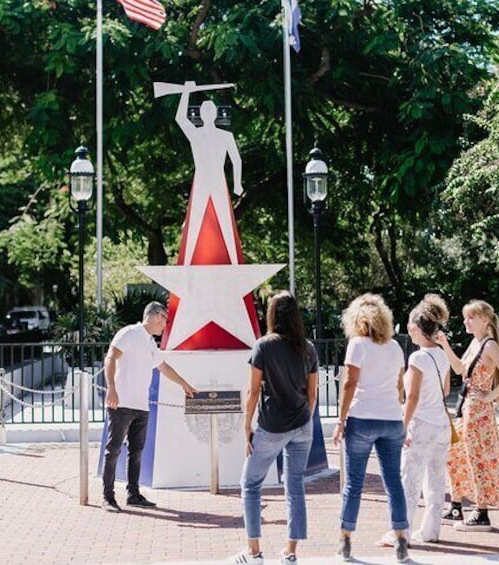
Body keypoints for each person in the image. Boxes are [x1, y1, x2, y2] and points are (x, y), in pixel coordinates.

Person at [231, 291, 318, 565]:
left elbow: (253, 391)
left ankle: (254, 552)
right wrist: (305, 418)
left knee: (251, 484)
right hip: (302, 424)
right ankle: (291, 553)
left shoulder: (263, 347)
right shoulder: (308, 348)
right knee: (295, 487)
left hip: (271, 426)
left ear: (271, 315)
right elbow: (313, 394)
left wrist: (247, 426)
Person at [332, 293, 410, 563]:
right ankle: (401, 538)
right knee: (393, 482)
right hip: (391, 419)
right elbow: (400, 387)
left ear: (356, 319)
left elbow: (349, 384)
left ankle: (345, 539)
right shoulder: (395, 348)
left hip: (362, 417)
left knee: (354, 484)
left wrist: (340, 421)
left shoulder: (357, 345)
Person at [101, 301, 197, 513]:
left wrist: (185, 384)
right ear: (155, 315)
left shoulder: (150, 342)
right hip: (121, 403)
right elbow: (110, 358)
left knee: (136, 452)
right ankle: (107, 497)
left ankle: (133, 494)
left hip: (141, 406)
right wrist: (111, 388)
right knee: (113, 450)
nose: (165, 324)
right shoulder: (129, 333)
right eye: (165, 319)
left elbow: (163, 367)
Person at [435, 299, 499, 531]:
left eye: (471, 317)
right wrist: (445, 345)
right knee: (455, 453)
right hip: (466, 406)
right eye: (465, 317)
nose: (466, 321)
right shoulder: (475, 343)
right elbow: (461, 369)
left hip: (478, 411)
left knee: (476, 458)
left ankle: (481, 511)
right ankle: (457, 505)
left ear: (485, 320)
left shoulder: (489, 345)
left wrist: (489, 396)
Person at [378, 294, 452, 547]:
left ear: (415, 328)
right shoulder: (441, 355)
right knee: (436, 479)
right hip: (441, 424)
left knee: (409, 480)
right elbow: (445, 391)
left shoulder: (417, 358)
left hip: (422, 424)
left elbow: (413, 397)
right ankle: (431, 530)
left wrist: (402, 425)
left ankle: (402, 532)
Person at [176, 80, 243, 266]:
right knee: (194, 221)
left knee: (225, 221)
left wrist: (237, 183)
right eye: (203, 111)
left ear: (214, 113)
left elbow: (236, 159)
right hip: (201, 179)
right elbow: (180, 119)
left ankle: (235, 265)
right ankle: (187, 265)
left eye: (210, 110)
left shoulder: (225, 135)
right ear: (200, 114)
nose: (207, 113)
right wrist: (186, 93)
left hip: (218, 179)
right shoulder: (195, 134)